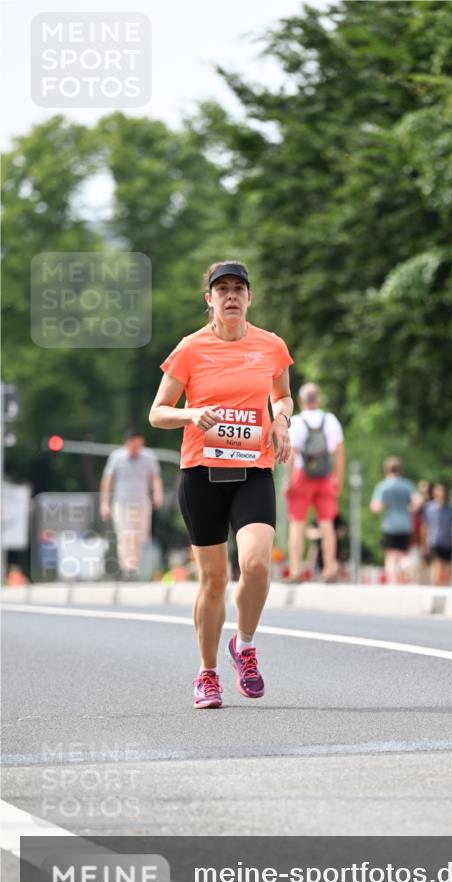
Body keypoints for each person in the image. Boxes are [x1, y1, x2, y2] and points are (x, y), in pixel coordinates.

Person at [148, 261, 293, 708]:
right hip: (201, 474)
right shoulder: (190, 349)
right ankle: (206, 674)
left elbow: (282, 394)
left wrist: (283, 420)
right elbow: (157, 412)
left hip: (252, 470)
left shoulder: (270, 345)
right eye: (222, 289)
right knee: (214, 580)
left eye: (239, 289)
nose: (231, 296)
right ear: (208, 299)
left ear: (250, 298)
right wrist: (191, 414)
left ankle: (244, 646)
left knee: (256, 564)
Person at [285, 383, 344, 582]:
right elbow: (339, 453)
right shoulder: (330, 420)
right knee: (327, 524)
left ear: (301, 401)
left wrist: (288, 480)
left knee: (297, 524)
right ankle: (329, 568)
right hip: (325, 476)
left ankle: (295, 570)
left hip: (302, 476)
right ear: (318, 399)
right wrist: (338, 479)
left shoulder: (297, 422)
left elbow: (292, 454)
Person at [100, 430, 163, 580]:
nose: (137, 449)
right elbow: (107, 481)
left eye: (139, 445)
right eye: (134, 446)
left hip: (142, 503)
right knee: (125, 535)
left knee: (140, 537)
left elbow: (155, 478)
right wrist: (104, 503)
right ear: (127, 443)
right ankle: (128, 568)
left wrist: (157, 494)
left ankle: (134, 565)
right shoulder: (116, 457)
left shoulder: (149, 457)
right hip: (122, 503)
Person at [370, 457, 420, 584]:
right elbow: (418, 502)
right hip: (405, 524)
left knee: (390, 555)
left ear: (386, 470)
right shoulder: (408, 485)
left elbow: (375, 507)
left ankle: (392, 582)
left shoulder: (383, 486)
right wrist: (410, 508)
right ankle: (406, 567)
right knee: (403, 554)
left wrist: (384, 505)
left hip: (390, 524)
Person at [421, 482, 452, 585]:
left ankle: (445, 589)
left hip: (447, 542)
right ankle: (436, 588)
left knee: (447, 568)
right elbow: (425, 527)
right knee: (436, 566)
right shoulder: (429, 508)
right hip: (434, 541)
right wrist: (424, 543)